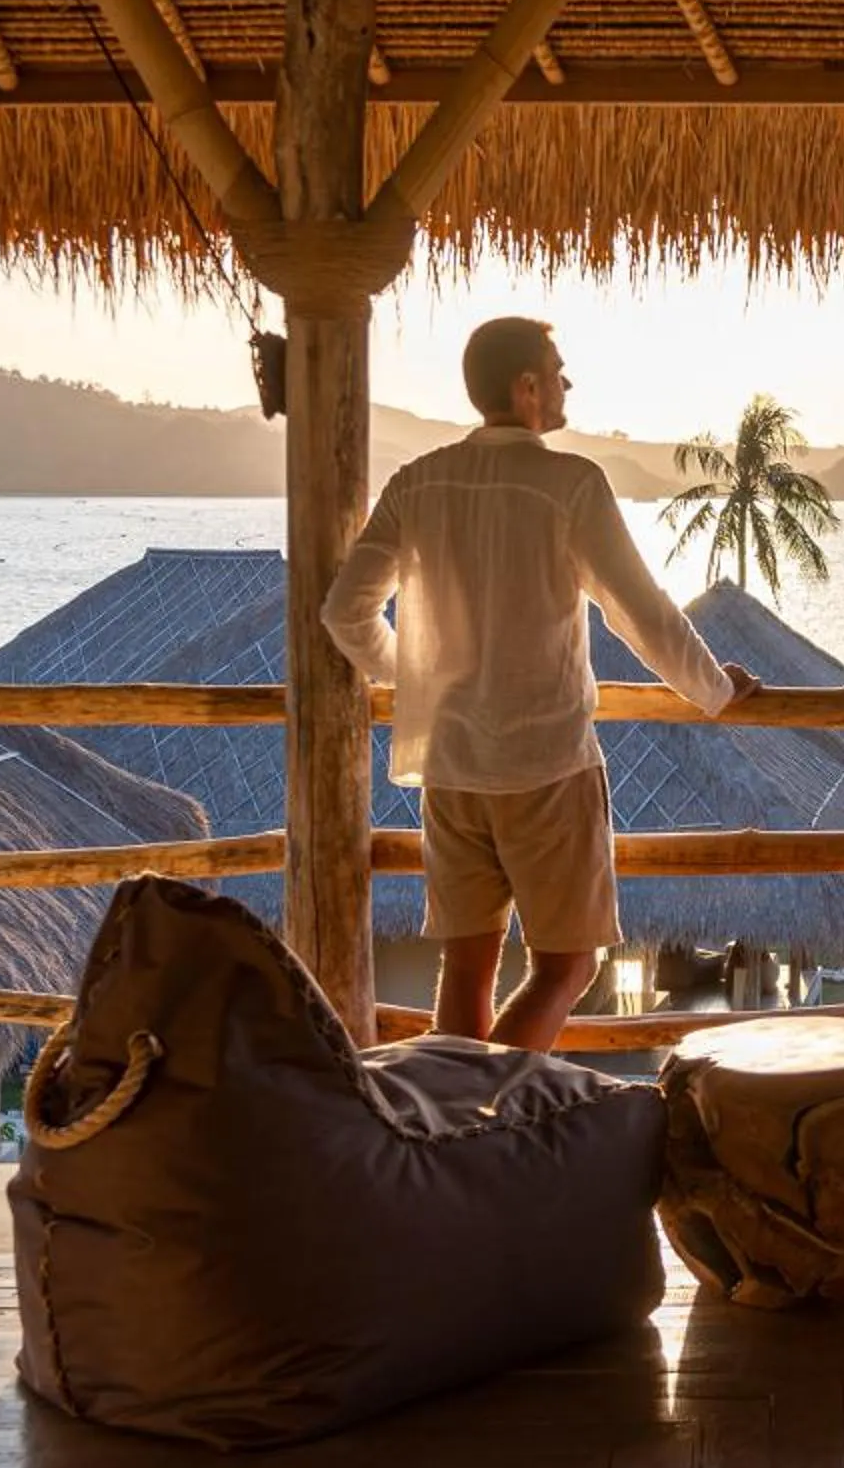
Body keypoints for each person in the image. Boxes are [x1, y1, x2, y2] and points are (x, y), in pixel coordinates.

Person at [323, 318, 757, 1052]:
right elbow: (640, 612)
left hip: (451, 764)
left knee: (468, 967)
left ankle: (456, 1107)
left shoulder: (416, 482)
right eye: (557, 370)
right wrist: (714, 689)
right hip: (546, 764)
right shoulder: (569, 484)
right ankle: (491, 1098)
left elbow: (345, 613)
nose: (566, 383)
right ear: (527, 387)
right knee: (567, 967)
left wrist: (419, 677)